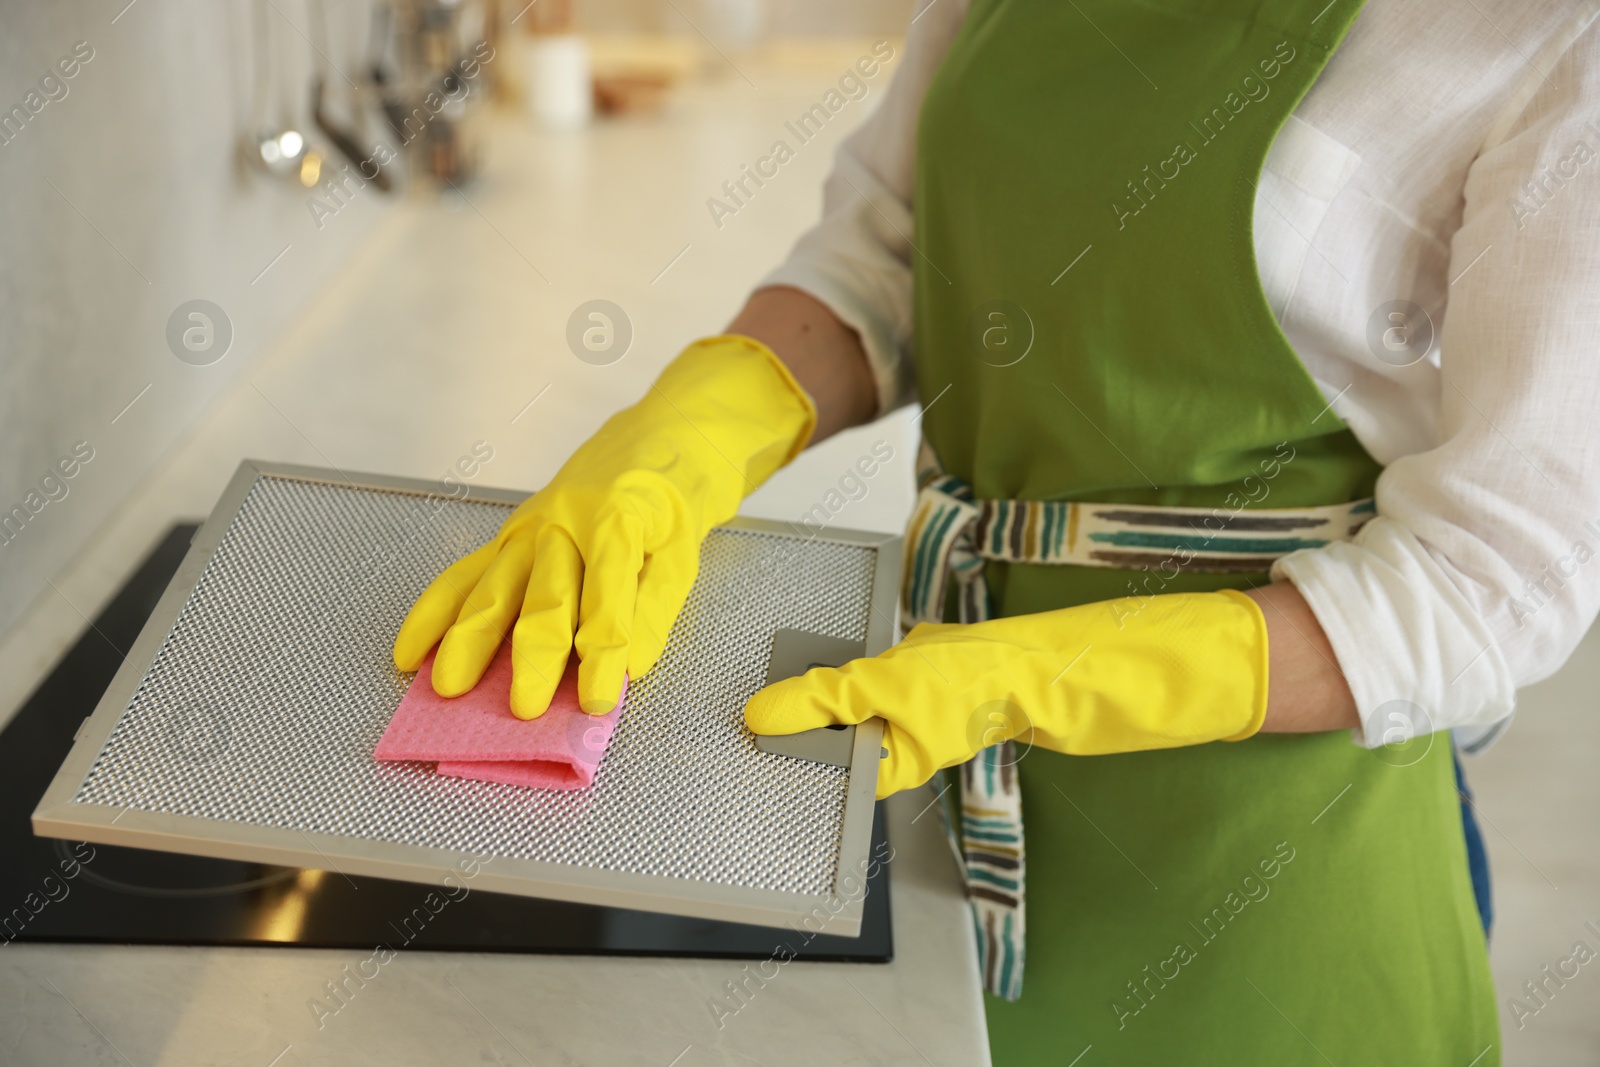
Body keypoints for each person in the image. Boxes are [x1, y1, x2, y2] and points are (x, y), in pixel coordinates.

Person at [395, 0, 1600, 1061]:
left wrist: (1042, 675)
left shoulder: (1547, 38)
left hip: (1273, 852)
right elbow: (884, 247)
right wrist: (687, 436)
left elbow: (1499, 578)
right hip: (954, 763)